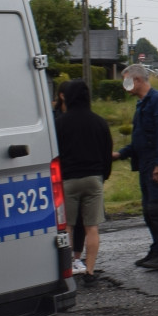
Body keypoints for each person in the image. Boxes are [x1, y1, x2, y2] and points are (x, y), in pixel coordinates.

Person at [114, 64, 158, 270]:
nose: (126, 86)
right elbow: (140, 139)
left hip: (156, 165)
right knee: (149, 210)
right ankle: (157, 248)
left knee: (156, 208)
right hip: (145, 164)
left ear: (138, 80)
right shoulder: (142, 104)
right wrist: (121, 154)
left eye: (127, 81)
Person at [53, 80, 115, 286]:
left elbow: (55, 154)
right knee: (92, 228)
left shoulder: (60, 123)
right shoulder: (99, 122)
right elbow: (107, 153)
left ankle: (69, 267)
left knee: (67, 227)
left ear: (67, 97)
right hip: (93, 179)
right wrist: (103, 176)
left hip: (68, 180)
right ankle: (89, 271)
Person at [52, 89, 88, 276]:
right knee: (70, 220)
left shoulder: (61, 121)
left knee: (75, 221)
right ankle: (70, 260)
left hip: (71, 174)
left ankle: (74, 258)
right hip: (69, 175)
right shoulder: (56, 118)